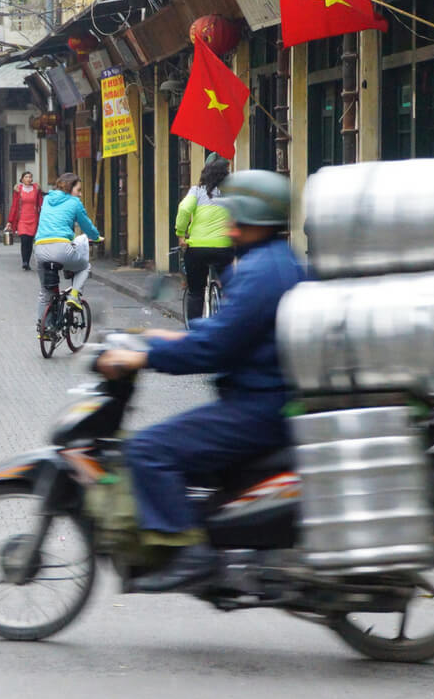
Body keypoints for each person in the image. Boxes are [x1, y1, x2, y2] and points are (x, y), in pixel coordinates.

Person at [95, 170, 304, 593]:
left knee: (148, 450)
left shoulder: (260, 274)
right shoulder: (279, 263)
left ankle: (191, 556)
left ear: (249, 220)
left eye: (233, 216)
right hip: (270, 398)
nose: (226, 225)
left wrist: (144, 355)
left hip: (258, 408)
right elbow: (233, 332)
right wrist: (164, 336)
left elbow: (214, 349)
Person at [33, 172, 100, 324]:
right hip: (61, 248)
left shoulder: (47, 199)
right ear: (70, 188)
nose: (80, 194)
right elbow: (87, 226)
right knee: (84, 266)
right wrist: (96, 237)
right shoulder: (75, 202)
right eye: (79, 190)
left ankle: (45, 330)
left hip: (40, 249)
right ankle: (74, 295)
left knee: (45, 292)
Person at [174, 154, 234, 320]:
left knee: (196, 291)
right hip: (224, 247)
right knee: (229, 288)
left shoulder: (197, 191)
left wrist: (181, 234)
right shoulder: (232, 192)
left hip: (198, 248)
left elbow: (185, 209)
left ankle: (195, 332)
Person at [5, 171, 43, 270]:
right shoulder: (18, 190)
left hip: (33, 218)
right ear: (22, 179)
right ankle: (24, 261)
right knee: (24, 240)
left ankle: (27, 261)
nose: (29, 179)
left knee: (30, 241)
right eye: (26, 177)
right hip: (22, 219)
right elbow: (14, 206)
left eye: (30, 177)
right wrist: (10, 221)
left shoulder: (36, 189)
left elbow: (41, 204)